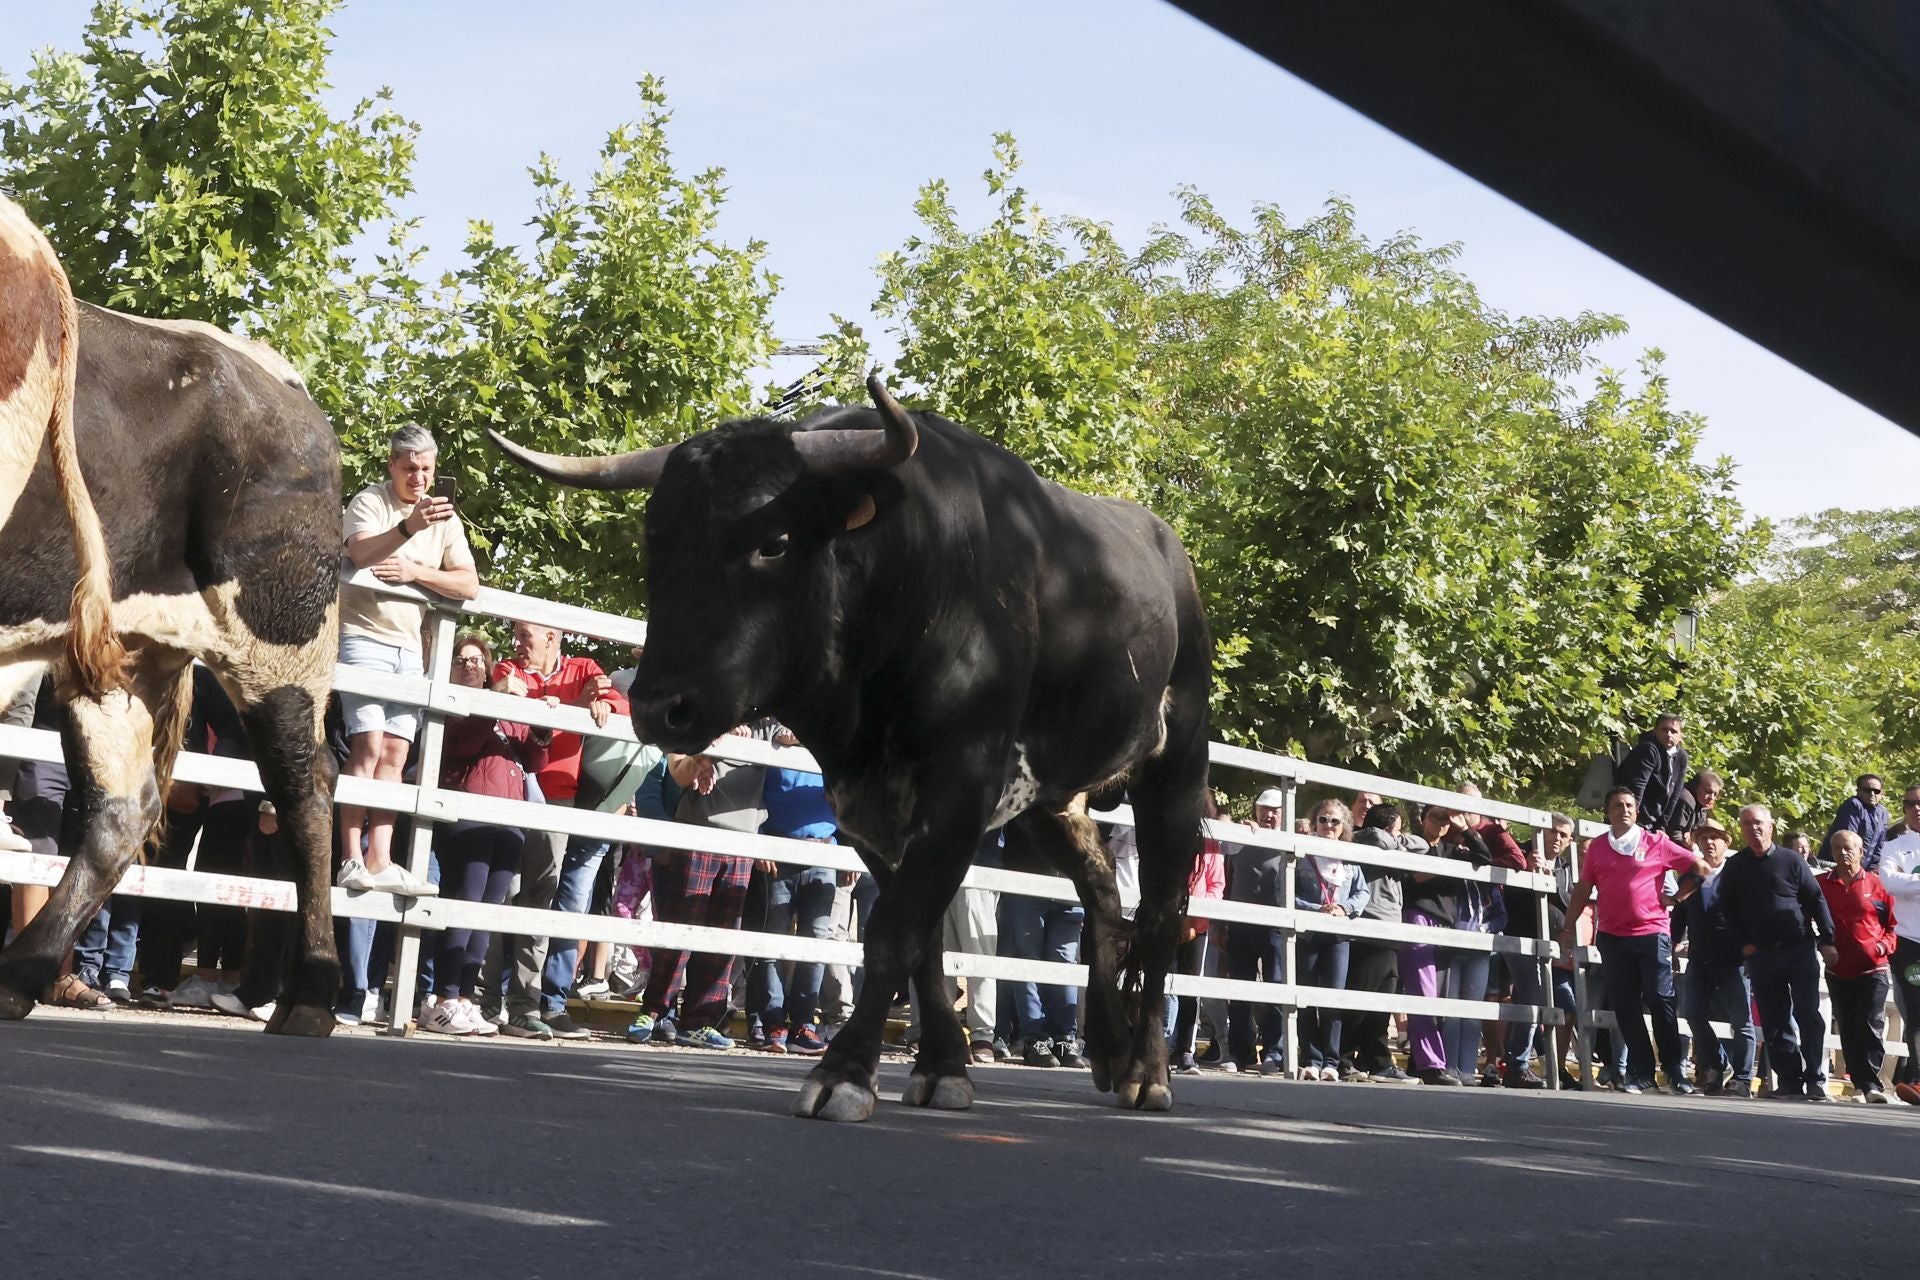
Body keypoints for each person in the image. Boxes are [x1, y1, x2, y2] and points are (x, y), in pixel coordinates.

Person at [336, 422, 475, 897]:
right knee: (368, 748)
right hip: (363, 637)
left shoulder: (445, 518)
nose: (418, 478)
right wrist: (407, 528)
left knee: (396, 754)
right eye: (409, 468)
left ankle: (381, 860)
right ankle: (350, 859)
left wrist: (417, 570)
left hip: (410, 648)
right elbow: (360, 554)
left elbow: (469, 585)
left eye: (426, 469)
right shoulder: (370, 502)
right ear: (392, 466)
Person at [491, 621, 629, 1041]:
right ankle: (487, 1000)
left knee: (540, 895)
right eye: (514, 633)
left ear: (551, 637)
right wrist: (540, 700)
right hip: (509, 790)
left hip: (558, 797)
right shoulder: (507, 667)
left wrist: (602, 701)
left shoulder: (585, 667)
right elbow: (496, 694)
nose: (517, 641)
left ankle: (525, 1005)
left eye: (524, 633)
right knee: (502, 892)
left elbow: (619, 704)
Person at [416, 631, 549, 1037]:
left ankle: (467, 1000)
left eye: (477, 660)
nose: (470, 665)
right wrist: (493, 701)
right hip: (469, 814)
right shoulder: (450, 702)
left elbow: (535, 759)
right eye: (461, 660)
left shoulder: (504, 706)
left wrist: (543, 724)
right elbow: (460, 744)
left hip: (509, 818)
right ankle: (443, 999)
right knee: (464, 904)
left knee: (486, 915)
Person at [626, 723, 773, 1051]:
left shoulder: (768, 722)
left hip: (742, 842)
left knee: (723, 939)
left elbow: (797, 734)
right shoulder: (705, 713)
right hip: (697, 833)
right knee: (680, 930)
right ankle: (653, 1012)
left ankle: (700, 1021)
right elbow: (678, 772)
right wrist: (707, 752)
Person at [1555, 787, 1707, 1095]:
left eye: (1628, 805)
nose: (1623, 809)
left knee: (1660, 999)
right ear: (1608, 812)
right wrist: (1568, 928)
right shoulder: (1597, 848)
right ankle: (1641, 1071)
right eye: (1617, 805)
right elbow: (1584, 889)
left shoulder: (1656, 842)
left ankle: (1675, 1068)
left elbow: (1700, 868)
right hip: (1612, 936)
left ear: (1636, 812)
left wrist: (1677, 898)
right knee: (1624, 1004)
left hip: (1652, 933)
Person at [1717, 803, 1838, 1101]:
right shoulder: (1736, 866)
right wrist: (1742, 943)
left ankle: (1815, 1079)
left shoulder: (1792, 861)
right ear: (1742, 829)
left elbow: (1815, 900)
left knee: (1808, 1014)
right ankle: (1789, 1082)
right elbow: (1726, 909)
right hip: (1762, 954)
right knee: (1774, 1020)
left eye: (1759, 823)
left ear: (1771, 827)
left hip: (1799, 948)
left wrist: (1827, 938)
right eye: (1747, 824)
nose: (1754, 828)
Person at [748, 745, 842, 1057]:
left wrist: (844, 849)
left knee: (815, 940)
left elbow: (848, 794)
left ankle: (804, 1023)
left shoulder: (829, 739)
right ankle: (774, 1021)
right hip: (778, 851)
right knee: (773, 938)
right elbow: (754, 792)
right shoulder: (775, 739)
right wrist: (760, 839)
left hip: (824, 851)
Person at [1674, 816, 1756, 1097]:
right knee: (1692, 1012)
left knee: (1741, 1021)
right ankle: (1716, 1065)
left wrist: (1750, 948)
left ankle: (1743, 1078)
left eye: (1715, 837)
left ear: (1725, 842)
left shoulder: (1739, 873)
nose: (1709, 842)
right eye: (1703, 838)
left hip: (1732, 957)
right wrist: (1673, 941)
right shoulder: (1690, 874)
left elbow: (1750, 914)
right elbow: (1679, 911)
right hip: (1699, 955)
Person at [1342, 801, 1423, 1083]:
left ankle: (1376, 1062)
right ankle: (1341, 1057)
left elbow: (1423, 846)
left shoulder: (1392, 843)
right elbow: (1375, 836)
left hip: (1392, 929)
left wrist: (1398, 840)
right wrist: (1392, 840)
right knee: (1359, 998)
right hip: (1370, 926)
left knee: (1381, 1000)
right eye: (1396, 830)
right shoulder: (1363, 839)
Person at [1817, 829, 1898, 1103]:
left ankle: (1872, 1085)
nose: (1844, 853)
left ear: (1861, 851)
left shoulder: (1879, 886)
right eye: (1838, 848)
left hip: (1873, 969)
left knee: (1870, 1023)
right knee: (1848, 1028)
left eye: (1849, 848)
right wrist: (1822, 945)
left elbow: (1892, 927)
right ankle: (1859, 1083)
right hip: (1838, 970)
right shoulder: (1820, 885)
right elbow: (1805, 920)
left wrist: (1881, 948)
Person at [1294, 799, 1368, 1080]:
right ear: (1314, 823)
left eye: (1334, 821)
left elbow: (1362, 893)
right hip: (1309, 933)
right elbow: (1285, 892)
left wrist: (1344, 908)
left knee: (1333, 999)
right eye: (1322, 820)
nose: (1328, 825)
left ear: (1344, 827)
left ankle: (1331, 1061)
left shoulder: (1349, 858)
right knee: (1307, 997)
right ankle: (1310, 1058)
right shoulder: (1301, 854)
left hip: (1339, 935)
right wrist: (1317, 909)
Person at [1226, 787, 1290, 1073]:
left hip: (1276, 926)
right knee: (1239, 987)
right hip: (1241, 923)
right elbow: (1225, 850)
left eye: (1275, 810)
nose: (1269, 814)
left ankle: (1275, 1053)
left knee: (1276, 988)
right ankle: (1240, 1052)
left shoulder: (1291, 842)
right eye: (1264, 809)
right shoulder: (1244, 836)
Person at [1881, 785, 1920, 1105]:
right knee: (1915, 1012)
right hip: (1910, 941)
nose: (1916, 808)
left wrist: (1911, 885)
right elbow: (1889, 882)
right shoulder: (1896, 846)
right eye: (1910, 804)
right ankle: (1918, 1078)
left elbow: (1901, 883)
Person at [1615, 714, 1690, 836]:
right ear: (1655, 731)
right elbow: (1637, 785)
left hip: (1655, 819)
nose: (1669, 734)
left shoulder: (1681, 757)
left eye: (1673, 731)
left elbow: (1675, 794)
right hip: (1637, 816)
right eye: (1664, 730)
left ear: (1680, 736)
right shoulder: (1648, 749)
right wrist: (1635, 818)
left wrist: (1662, 825)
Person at [1822, 775, 1889, 871]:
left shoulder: (1883, 812)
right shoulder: (1853, 805)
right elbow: (1847, 840)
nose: (1872, 794)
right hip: (1836, 866)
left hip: (1862, 870)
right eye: (1867, 790)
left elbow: (1880, 844)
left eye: (1876, 791)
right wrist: (1855, 868)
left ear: (1882, 794)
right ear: (1858, 791)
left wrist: (1872, 869)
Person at [1669, 770, 1725, 843]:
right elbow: (1673, 833)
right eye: (1708, 791)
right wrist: (1691, 847)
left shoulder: (1702, 806)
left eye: (1715, 794)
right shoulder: (1685, 800)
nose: (1712, 797)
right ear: (1695, 787)